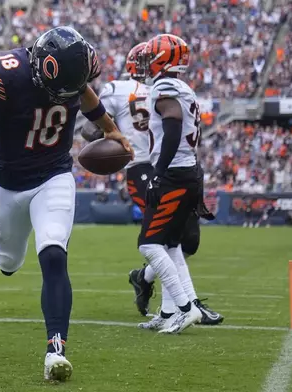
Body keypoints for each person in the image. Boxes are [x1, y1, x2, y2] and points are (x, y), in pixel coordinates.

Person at [0, 26, 133, 381]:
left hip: (54, 175)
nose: (63, 96)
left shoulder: (76, 71)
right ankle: (4, 248)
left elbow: (84, 93)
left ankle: (55, 350)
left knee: (53, 252)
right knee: (8, 263)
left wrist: (110, 128)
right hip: (6, 184)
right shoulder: (6, 73)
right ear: (40, 66)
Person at [82, 43, 223, 327]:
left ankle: (152, 284)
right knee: (168, 240)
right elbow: (91, 126)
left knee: (175, 241)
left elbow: (88, 130)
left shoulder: (164, 87)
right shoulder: (170, 87)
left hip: (167, 168)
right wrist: (111, 135)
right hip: (146, 167)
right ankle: (186, 303)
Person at [135, 34, 206, 334]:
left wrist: (157, 173)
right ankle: (169, 312)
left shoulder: (165, 87)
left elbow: (173, 124)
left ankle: (186, 309)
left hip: (175, 174)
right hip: (188, 172)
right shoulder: (182, 87)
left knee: (149, 245)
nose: (146, 63)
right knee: (171, 245)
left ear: (163, 58)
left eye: (150, 56)